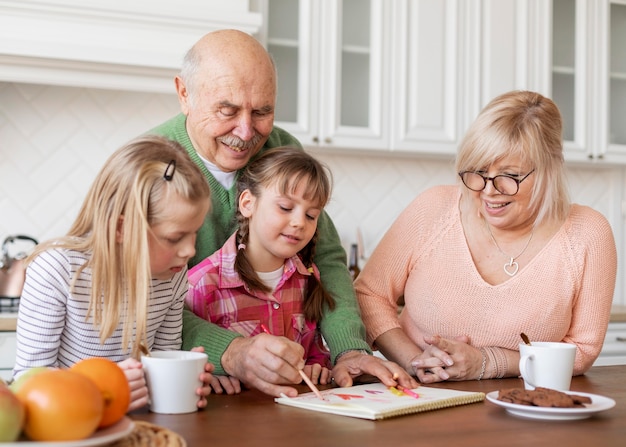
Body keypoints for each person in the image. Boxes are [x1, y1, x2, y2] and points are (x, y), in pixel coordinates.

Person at [149, 28, 416, 397]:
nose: (245, 132)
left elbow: (326, 260)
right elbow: (138, 300)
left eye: (262, 111)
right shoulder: (147, 165)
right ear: (184, 94)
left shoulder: (281, 147)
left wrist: (349, 348)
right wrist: (229, 351)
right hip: (194, 385)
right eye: (227, 110)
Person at [355, 90, 617, 383]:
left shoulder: (587, 233)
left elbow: (582, 349)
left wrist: (488, 362)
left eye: (510, 175)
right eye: (478, 170)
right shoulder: (433, 209)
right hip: (417, 391)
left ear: (550, 169)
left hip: (524, 408)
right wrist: (415, 361)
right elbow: (369, 294)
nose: (488, 190)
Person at [13, 135, 215, 411]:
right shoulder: (56, 269)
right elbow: (27, 383)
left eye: (194, 233)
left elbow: (157, 364)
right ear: (122, 228)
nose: (189, 250)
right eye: (174, 237)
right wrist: (104, 387)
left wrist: (180, 380)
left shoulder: (173, 274)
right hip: (70, 427)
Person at [187, 147, 335, 386]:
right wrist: (208, 375)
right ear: (247, 203)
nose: (299, 222)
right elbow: (183, 358)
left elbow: (314, 351)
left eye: (311, 215)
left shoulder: (308, 278)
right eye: (285, 208)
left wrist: (318, 366)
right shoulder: (202, 283)